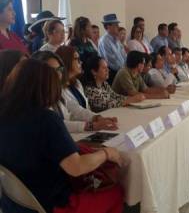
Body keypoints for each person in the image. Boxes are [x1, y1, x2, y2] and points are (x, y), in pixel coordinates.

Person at [0, 58, 124, 213]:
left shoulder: (5, 114)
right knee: (116, 192)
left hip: (14, 202)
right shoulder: (46, 119)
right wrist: (106, 153)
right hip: (52, 204)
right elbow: (76, 167)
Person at [32, 50, 117, 133]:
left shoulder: (69, 86)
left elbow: (76, 109)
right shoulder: (37, 101)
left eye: (59, 69)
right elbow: (57, 124)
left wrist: (97, 118)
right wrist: (93, 125)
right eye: (76, 59)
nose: (57, 74)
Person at [98, 14, 127, 85]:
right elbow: (111, 62)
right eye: (116, 25)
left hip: (121, 72)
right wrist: (124, 71)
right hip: (112, 74)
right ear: (108, 26)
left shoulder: (116, 40)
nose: (118, 27)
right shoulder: (104, 41)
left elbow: (124, 56)